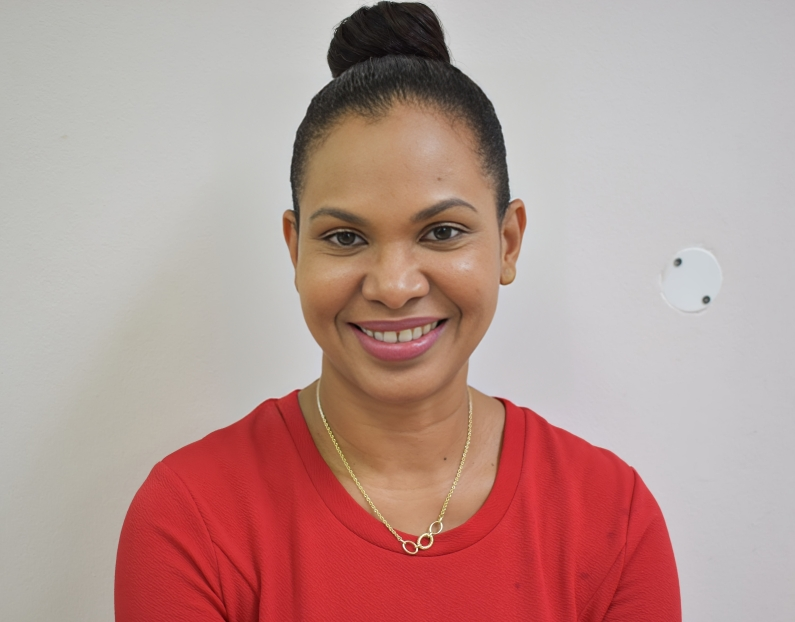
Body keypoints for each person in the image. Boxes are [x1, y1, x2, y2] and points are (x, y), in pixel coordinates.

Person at [115, 3, 681, 620]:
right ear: (294, 249)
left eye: (441, 232)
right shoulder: (191, 517)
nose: (394, 286)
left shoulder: (611, 517)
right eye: (345, 238)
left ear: (508, 242)